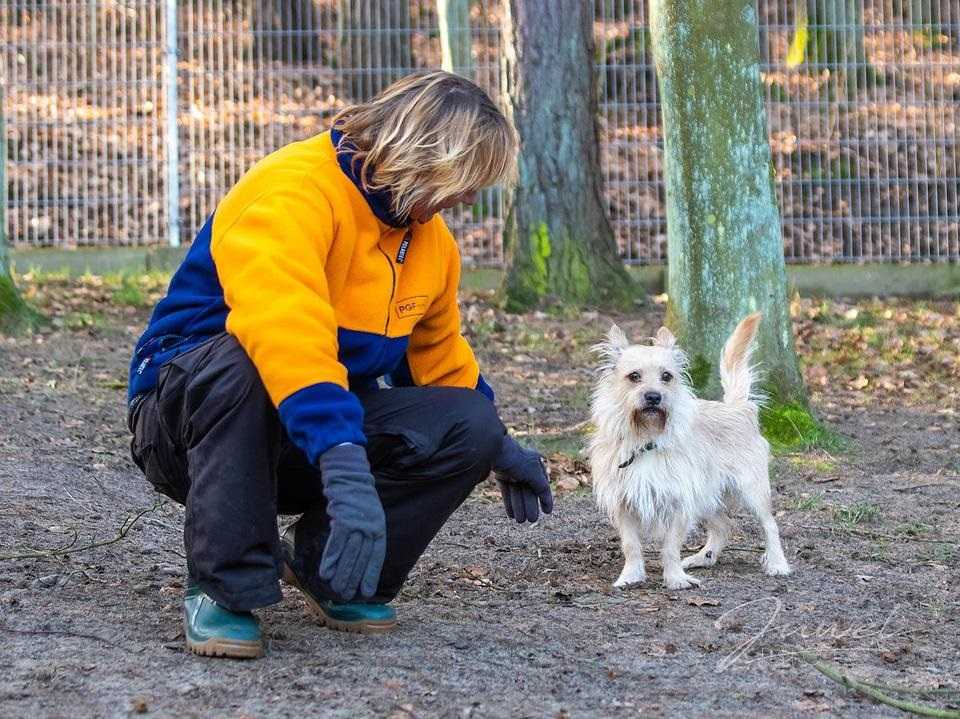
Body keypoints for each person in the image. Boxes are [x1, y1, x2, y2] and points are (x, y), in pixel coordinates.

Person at [127, 71, 554, 659]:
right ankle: (224, 588)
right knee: (246, 357)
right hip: (188, 424)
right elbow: (287, 335)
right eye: (464, 182)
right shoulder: (293, 191)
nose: (468, 201)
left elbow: (439, 358)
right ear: (424, 155)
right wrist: (345, 466)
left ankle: (329, 570)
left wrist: (498, 447)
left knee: (469, 424)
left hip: (308, 435)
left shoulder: (429, 242)